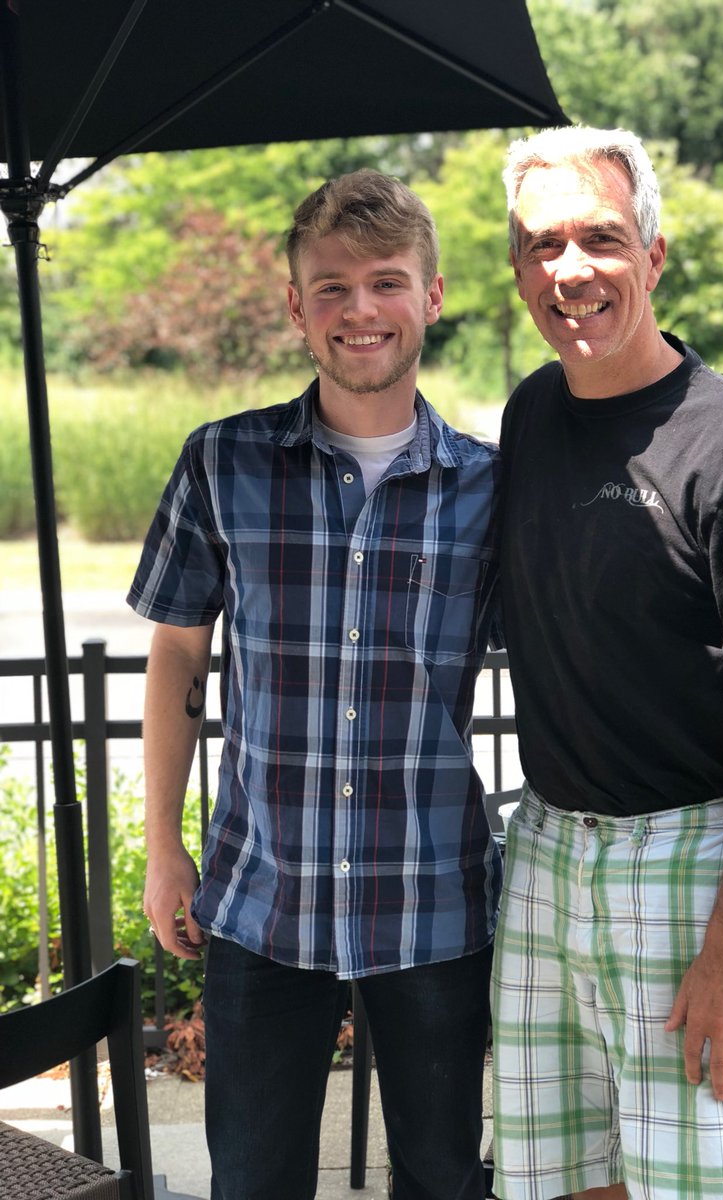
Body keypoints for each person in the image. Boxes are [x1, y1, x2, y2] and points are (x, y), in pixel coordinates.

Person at [130, 169, 501, 1200]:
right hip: (262, 897)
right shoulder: (222, 462)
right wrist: (163, 848)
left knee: (441, 1178)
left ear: (431, 296)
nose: (359, 309)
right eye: (331, 287)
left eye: (387, 282)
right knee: (252, 1180)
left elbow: (571, 657)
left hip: (431, 900)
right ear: (297, 308)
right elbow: (177, 656)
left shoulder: (490, 486)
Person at [490, 126, 723, 1200]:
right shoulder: (530, 413)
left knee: (703, 1185)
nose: (571, 270)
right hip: (548, 855)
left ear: (654, 255)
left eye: (601, 238)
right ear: (517, 271)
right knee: (564, 1180)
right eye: (543, 245)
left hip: (697, 868)